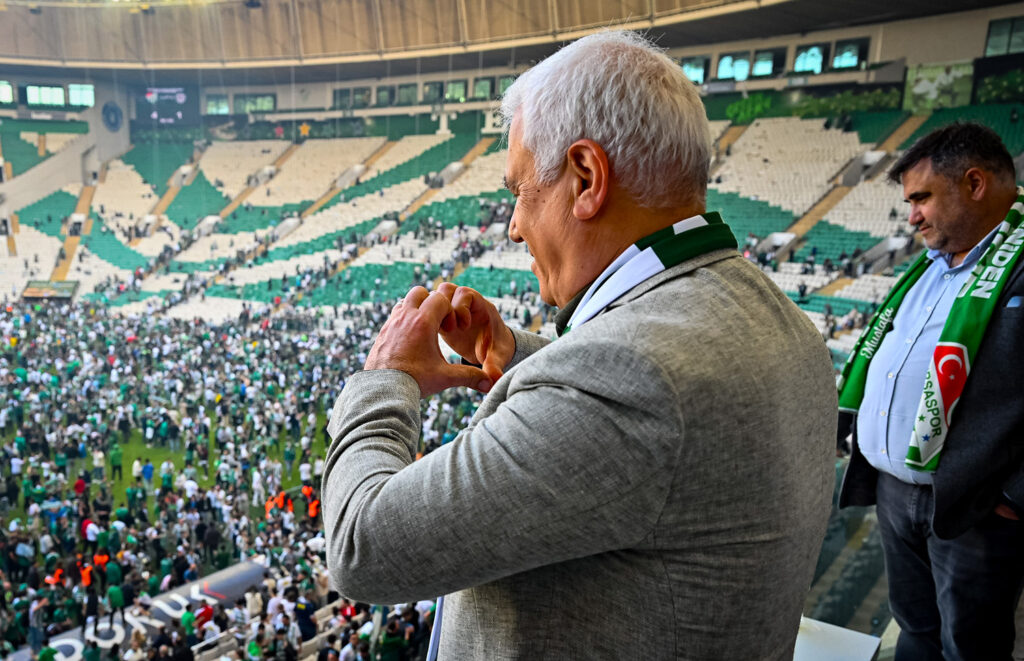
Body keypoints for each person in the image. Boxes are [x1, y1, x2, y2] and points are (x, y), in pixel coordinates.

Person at [323, 31, 836, 660]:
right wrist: (516, 352)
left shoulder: (629, 383)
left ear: (587, 178)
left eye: (519, 191)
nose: (514, 227)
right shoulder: (772, 315)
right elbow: (658, 407)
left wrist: (384, 379)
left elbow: (363, 546)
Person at [838, 121, 1024, 661]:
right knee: (915, 630)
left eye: (921, 198)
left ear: (975, 183)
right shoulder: (927, 265)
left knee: (970, 647)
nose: (912, 216)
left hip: (976, 506)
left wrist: (1013, 498)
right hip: (895, 494)